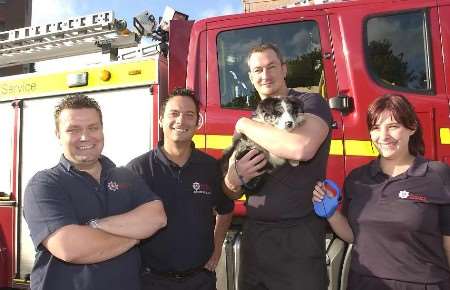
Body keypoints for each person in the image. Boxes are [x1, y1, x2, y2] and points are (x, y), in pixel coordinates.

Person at [23, 94, 167, 290]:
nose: (85, 137)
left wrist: (95, 225)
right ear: (58, 134)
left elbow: (157, 218)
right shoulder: (44, 184)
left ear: (102, 129)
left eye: (93, 128)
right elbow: (70, 248)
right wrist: (136, 234)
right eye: (73, 129)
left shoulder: (125, 176)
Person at [223, 43, 332, 290]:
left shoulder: (310, 103)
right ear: (251, 78)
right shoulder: (253, 122)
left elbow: (301, 148)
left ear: (284, 69)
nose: (265, 75)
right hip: (256, 242)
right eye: (258, 70)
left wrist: (241, 123)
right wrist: (234, 179)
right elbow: (230, 192)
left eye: (271, 66)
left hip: (299, 239)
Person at [313, 94, 450, 289]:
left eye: (393, 126)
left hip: (423, 284)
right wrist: (331, 214)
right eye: (376, 128)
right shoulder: (357, 178)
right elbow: (356, 236)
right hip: (365, 283)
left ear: (411, 128)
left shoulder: (437, 175)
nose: (383, 136)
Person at [127, 88, 234, 290]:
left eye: (189, 115)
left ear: (197, 122)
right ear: (160, 120)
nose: (181, 121)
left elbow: (226, 209)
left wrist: (217, 248)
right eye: (174, 114)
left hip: (200, 280)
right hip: (152, 281)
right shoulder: (137, 170)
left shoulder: (211, 168)